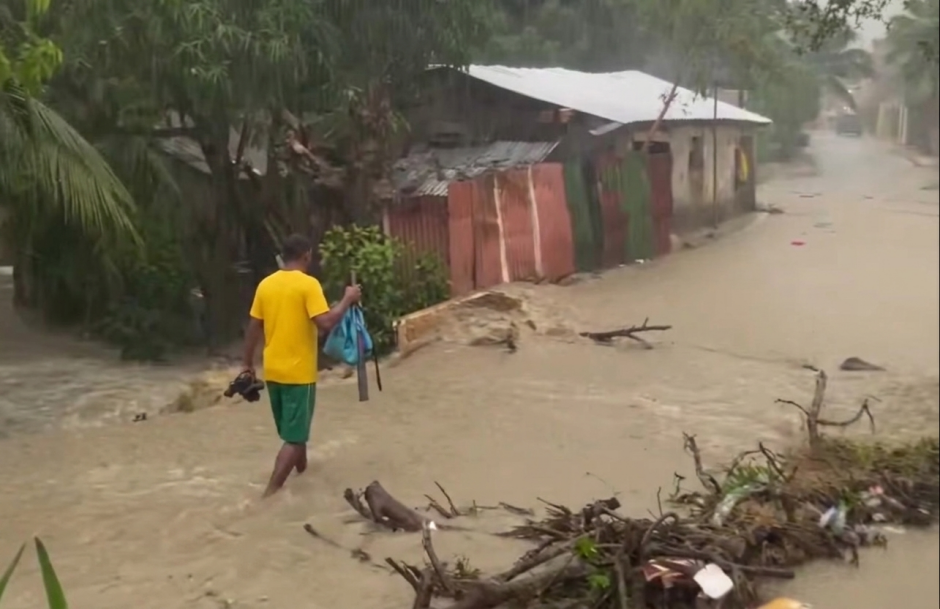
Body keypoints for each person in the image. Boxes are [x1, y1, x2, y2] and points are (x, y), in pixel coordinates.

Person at [241, 233, 361, 497]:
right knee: (294, 438)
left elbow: (253, 327)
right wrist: (348, 299)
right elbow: (326, 323)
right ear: (306, 255)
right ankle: (269, 495)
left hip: (272, 372)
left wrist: (247, 365)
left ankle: (303, 476)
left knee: (295, 431)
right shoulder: (308, 285)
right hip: (299, 374)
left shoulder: (266, 285)